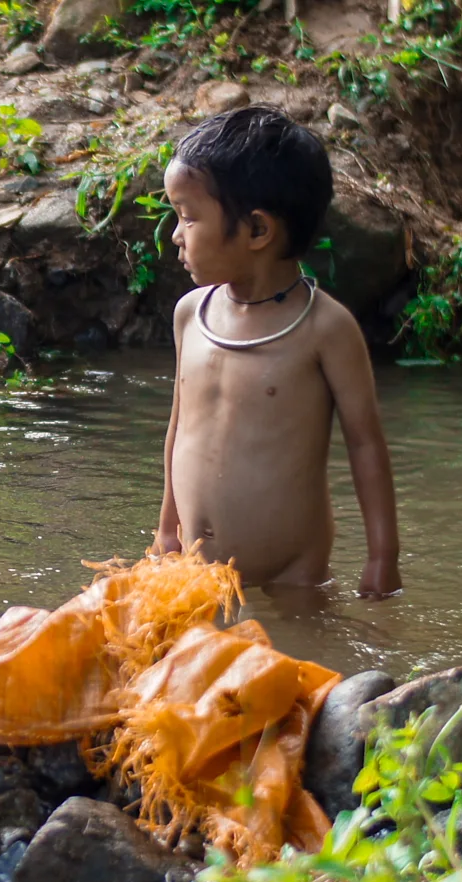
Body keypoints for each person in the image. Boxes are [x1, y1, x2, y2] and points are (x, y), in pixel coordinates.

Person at [151, 105, 402, 598]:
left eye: (188, 217)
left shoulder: (325, 328)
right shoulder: (190, 315)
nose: (176, 235)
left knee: (301, 669)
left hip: (294, 572)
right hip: (195, 567)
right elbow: (179, 428)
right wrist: (166, 530)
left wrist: (382, 558)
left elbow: (365, 444)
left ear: (258, 231)